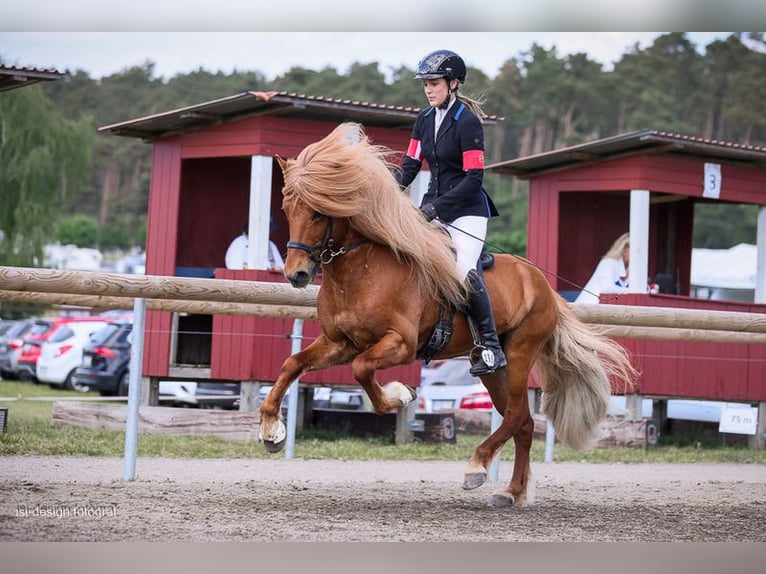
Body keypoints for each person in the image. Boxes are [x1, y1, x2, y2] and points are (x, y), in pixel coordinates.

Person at [395, 49, 505, 376]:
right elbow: (410, 166)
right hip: (433, 207)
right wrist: (385, 192)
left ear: (452, 83)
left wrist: (435, 209)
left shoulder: (467, 122)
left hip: (467, 210)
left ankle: (492, 346)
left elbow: (474, 179)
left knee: (462, 271)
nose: (428, 89)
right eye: (425, 84)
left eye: (434, 83)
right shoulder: (424, 120)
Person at [574, 232, 631, 304]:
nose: (639, 253)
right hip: (588, 308)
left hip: (610, 309)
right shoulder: (608, 262)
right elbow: (606, 288)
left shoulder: (633, 269)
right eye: (635, 249)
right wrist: (632, 291)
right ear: (624, 249)